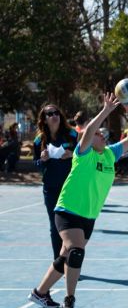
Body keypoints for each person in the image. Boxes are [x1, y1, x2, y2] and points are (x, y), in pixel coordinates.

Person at [27, 93, 128, 308]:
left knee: (66, 255)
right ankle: (69, 299)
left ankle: (40, 293)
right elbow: (88, 132)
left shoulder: (109, 154)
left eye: (103, 134)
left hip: (89, 215)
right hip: (68, 209)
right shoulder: (82, 153)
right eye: (99, 133)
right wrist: (106, 111)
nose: (102, 135)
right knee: (76, 251)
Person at [33, 105, 79, 260]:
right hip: (51, 188)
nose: (54, 116)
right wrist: (42, 160)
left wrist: (72, 155)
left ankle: (71, 263)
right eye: (50, 114)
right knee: (55, 227)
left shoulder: (72, 134)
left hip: (70, 187)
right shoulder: (39, 140)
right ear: (44, 119)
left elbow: (82, 156)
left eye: (57, 113)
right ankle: (58, 263)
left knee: (71, 227)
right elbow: (37, 164)